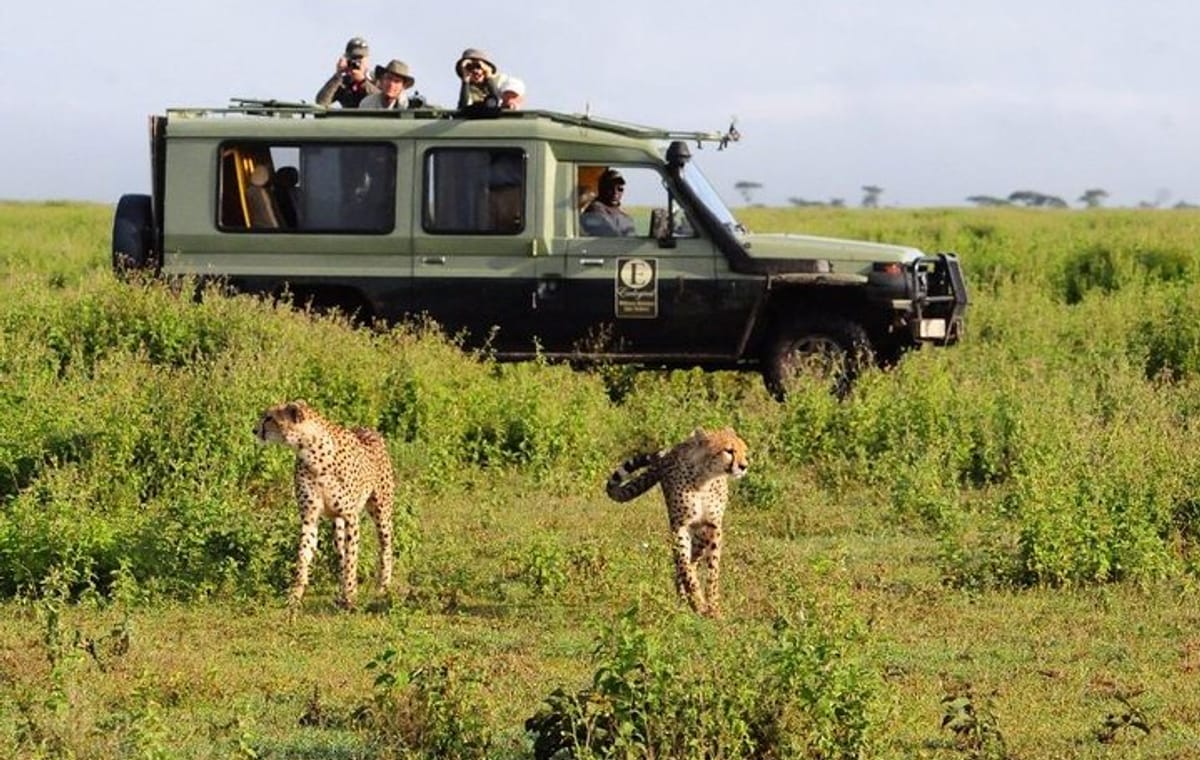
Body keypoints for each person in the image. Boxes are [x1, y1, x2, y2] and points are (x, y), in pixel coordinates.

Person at [315, 36, 378, 108]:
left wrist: (362, 82)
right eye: (353, 58)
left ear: (367, 60)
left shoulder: (376, 79)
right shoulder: (343, 83)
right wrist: (338, 75)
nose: (356, 62)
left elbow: (382, 101)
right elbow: (321, 102)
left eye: (360, 58)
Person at [580, 169, 635, 237]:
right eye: (610, 188)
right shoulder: (595, 209)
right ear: (602, 188)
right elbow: (611, 236)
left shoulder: (623, 214)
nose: (615, 193)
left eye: (620, 189)